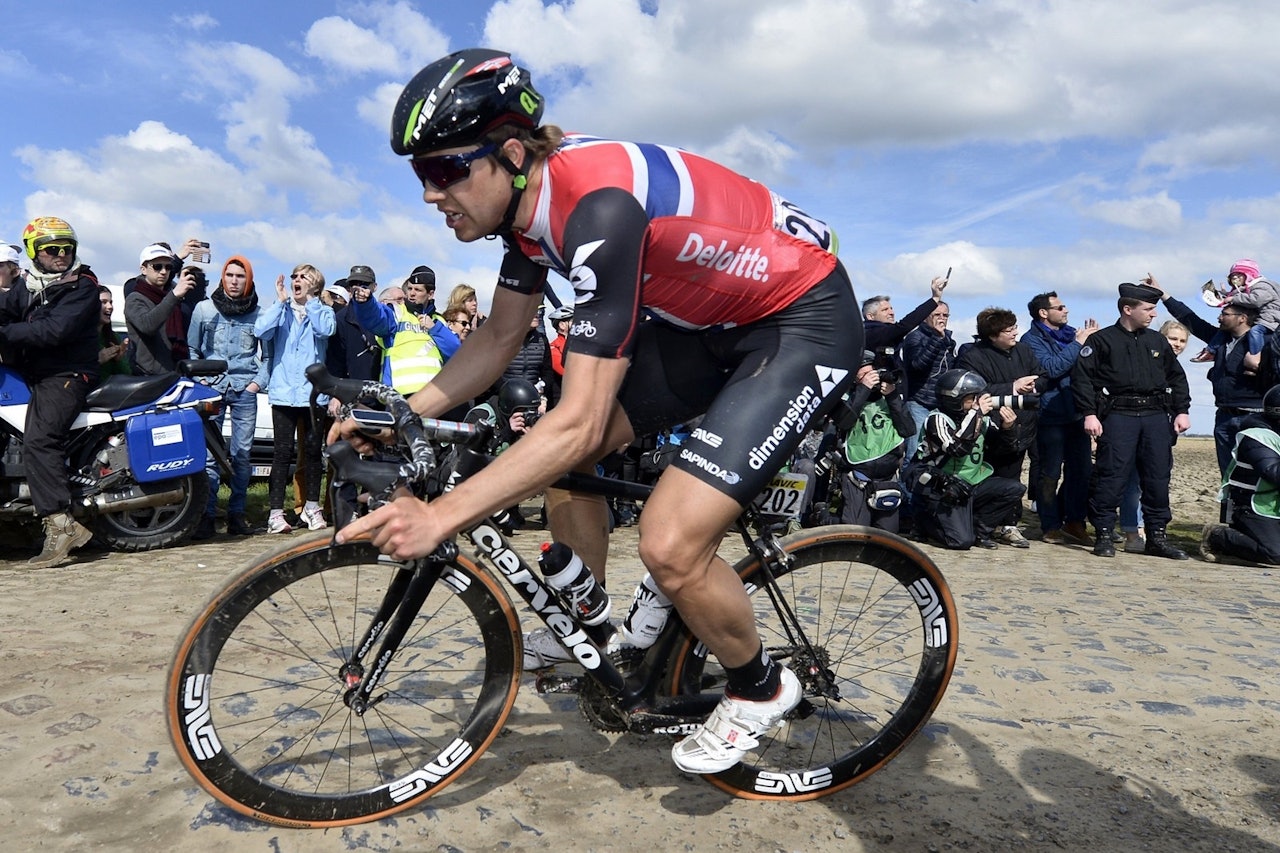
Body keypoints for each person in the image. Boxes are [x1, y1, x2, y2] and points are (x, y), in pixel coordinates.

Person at [336, 48, 857, 775]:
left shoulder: (597, 207)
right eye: (420, 174)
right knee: (558, 461)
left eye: (445, 170)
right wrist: (403, 411)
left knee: (667, 539)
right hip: (707, 327)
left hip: (801, 319)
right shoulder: (526, 212)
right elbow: (497, 337)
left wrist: (441, 514)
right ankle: (602, 626)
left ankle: (759, 684)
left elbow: (580, 416)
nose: (431, 193)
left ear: (511, 153)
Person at [0, 217, 101, 567]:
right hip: (34, 373)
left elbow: (52, 331)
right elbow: (5, 310)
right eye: (52, 249)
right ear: (34, 253)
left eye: (66, 248)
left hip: (67, 375)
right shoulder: (26, 284)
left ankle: (61, 524)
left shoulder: (82, 285)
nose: (61, 254)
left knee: (39, 440)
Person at [1071, 282, 1191, 559]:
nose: (1153, 315)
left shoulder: (1156, 341)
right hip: (1118, 416)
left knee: (1157, 478)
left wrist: (1182, 410)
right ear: (1128, 309)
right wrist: (1089, 413)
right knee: (1111, 475)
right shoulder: (1101, 341)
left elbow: (1176, 377)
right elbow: (1082, 380)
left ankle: (1157, 536)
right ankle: (1103, 533)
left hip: (1155, 417)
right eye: (1148, 309)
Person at [1154, 274, 1268, 477]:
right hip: (1224, 417)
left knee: (1255, 477)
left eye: (1226, 313)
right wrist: (1164, 296)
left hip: (1255, 417)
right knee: (1228, 478)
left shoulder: (1266, 343)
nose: (1219, 317)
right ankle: (1229, 510)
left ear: (1242, 318)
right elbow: (1191, 320)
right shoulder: (1220, 340)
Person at [188, 256, 267, 539]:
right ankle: (207, 516)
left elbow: (267, 356)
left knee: (242, 456)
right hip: (212, 390)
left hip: (244, 388)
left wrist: (256, 384)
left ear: (249, 280)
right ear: (223, 277)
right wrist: (201, 381)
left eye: (240, 276)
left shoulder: (259, 314)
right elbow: (192, 349)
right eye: (230, 275)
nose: (234, 281)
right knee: (210, 456)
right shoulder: (204, 309)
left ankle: (237, 515)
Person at [255, 264, 336, 533]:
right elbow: (261, 330)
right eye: (294, 277)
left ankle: (312, 508)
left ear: (315, 285)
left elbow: (326, 331)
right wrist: (279, 303)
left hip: (312, 395)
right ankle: (276, 513)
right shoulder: (281, 310)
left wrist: (312, 302)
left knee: (313, 453)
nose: (296, 281)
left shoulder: (323, 311)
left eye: (304, 277)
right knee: (282, 454)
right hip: (283, 392)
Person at [956, 306, 1046, 547]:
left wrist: (1034, 385)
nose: (1015, 333)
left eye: (1015, 327)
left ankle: (1009, 525)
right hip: (988, 427)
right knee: (986, 476)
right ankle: (977, 523)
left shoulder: (1024, 351)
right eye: (1009, 330)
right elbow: (974, 390)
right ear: (993, 335)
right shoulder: (972, 356)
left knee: (1012, 475)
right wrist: (1013, 387)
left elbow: (1042, 375)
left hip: (1023, 425)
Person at [906, 369, 1026, 549]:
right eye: (972, 397)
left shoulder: (980, 420)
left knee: (1014, 489)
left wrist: (1008, 428)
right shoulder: (937, 419)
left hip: (969, 484)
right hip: (941, 487)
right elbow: (956, 449)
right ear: (954, 399)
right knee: (960, 542)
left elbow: (1003, 450)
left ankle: (980, 531)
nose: (977, 402)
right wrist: (976, 414)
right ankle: (923, 523)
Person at [1021, 292, 1097, 544]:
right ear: (1044, 312)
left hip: (1076, 412)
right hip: (1049, 415)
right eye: (1060, 307)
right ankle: (1050, 524)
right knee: (1049, 473)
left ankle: (1074, 522)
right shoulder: (1031, 340)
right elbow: (1051, 368)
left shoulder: (1072, 335)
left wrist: (1089, 344)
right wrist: (1078, 345)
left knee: (1082, 471)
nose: (1066, 310)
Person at [830, 352, 915, 531]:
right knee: (854, 532)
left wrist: (892, 397)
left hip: (886, 478)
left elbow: (907, 430)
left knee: (888, 539)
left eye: (873, 373)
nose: (872, 379)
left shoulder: (890, 399)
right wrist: (863, 389)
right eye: (864, 375)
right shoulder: (847, 397)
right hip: (857, 476)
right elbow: (843, 422)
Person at [1201, 384, 1280, 565]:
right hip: (1252, 506)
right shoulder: (1257, 437)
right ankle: (1216, 536)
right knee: (1274, 553)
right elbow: (1273, 472)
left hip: (1274, 504)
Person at [351, 273, 458, 394]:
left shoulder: (438, 321)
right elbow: (376, 318)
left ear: (430, 294)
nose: (411, 293)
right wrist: (366, 303)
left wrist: (435, 329)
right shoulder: (397, 312)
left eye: (418, 290)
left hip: (433, 396)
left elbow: (456, 353)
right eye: (410, 288)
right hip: (399, 396)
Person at [1191, 259, 1278, 367]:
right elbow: (1241, 298)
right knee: (1226, 329)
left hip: (1271, 317)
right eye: (1233, 276)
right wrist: (1224, 295)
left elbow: (1256, 299)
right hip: (1258, 316)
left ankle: (1255, 357)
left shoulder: (1262, 286)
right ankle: (1211, 351)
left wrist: (1232, 298)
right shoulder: (1245, 289)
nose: (1235, 278)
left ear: (1249, 275)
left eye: (1239, 275)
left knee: (1255, 332)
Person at [124, 244, 195, 375]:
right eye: (157, 266)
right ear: (143, 269)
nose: (163, 271)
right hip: (146, 376)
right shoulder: (135, 298)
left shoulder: (172, 296)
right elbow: (147, 326)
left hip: (174, 372)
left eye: (168, 267)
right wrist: (174, 296)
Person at [901, 300, 955, 462]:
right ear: (926, 317)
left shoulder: (949, 340)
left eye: (945, 315)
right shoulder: (914, 337)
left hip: (941, 403)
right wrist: (936, 339)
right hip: (919, 402)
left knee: (938, 453)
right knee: (913, 453)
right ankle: (905, 487)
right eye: (937, 315)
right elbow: (917, 366)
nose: (941, 319)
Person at [96, 285, 131, 378]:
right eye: (104, 302)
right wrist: (97, 361)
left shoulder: (114, 338)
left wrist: (118, 360)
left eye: (111, 302)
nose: (110, 306)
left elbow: (126, 376)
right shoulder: (79, 338)